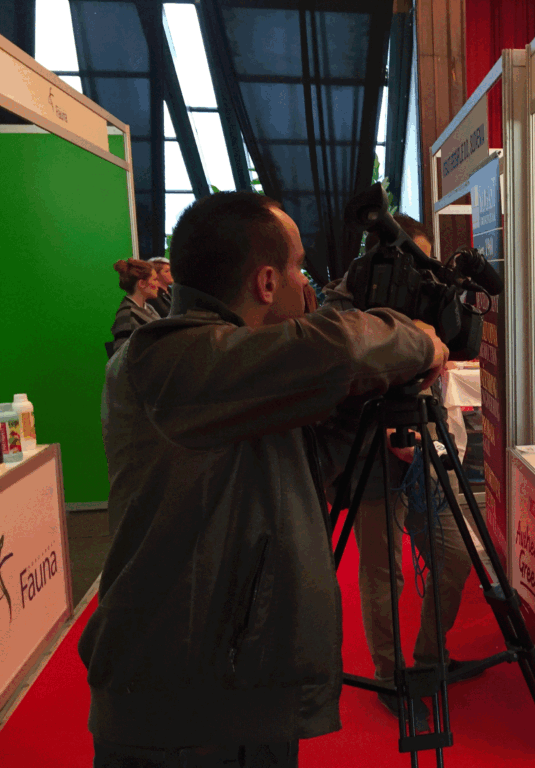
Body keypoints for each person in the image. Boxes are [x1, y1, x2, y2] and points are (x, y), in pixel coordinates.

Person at [80, 192, 448, 768]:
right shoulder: (164, 357)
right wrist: (416, 338)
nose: (311, 289)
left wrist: (377, 396)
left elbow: (308, 468)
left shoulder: (245, 381)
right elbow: (338, 346)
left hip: (241, 689)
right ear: (267, 282)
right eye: (300, 267)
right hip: (179, 709)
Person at [318, 214, 482, 732]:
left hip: (422, 445)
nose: (422, 277)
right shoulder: (341, 311)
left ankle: (431, 660)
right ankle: (390, 676)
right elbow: (331, 384)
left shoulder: (418, 305)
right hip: (365, 455)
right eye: (414, 263)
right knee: (382, 570)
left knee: (455, 555)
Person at [110, 259, 162, 355]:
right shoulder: (127, 315)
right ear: (141, 283)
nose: (158, 284)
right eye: (154, 280)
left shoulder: (149, 308)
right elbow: (123, 359)